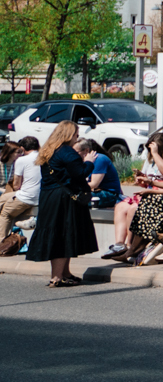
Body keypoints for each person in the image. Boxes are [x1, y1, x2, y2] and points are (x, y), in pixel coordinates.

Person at [26, 123, 96, 288]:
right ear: (68, 134)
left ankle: (64, 273)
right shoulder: (67, 152)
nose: (77, 137)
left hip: (49, 196)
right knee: (63, 234)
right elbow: (79, 174)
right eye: (76, 134)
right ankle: (57, 276)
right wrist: (89, 162)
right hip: (64, 198)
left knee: (59, 233)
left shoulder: (48, 150)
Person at [83, 139, 120, 213]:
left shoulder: (99, 159)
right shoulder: (85, 161)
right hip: (98, 192)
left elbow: (94, 184)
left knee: (73, 199)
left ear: (86, 151)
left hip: (109, 195)